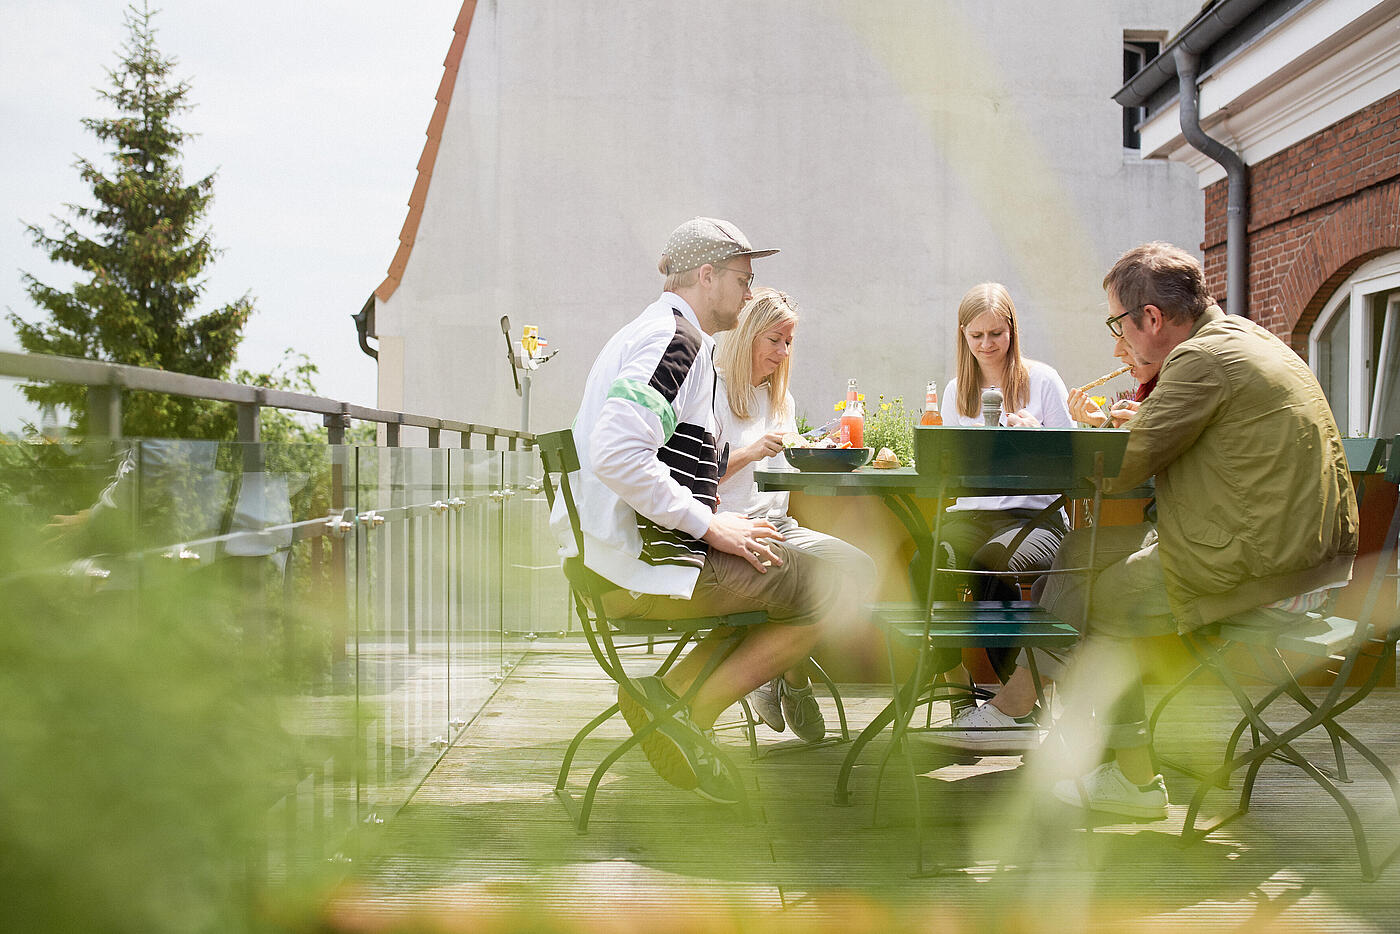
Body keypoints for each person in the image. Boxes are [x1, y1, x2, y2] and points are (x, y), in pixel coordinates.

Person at [926, 242, 1358, 821]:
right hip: (1298, 552)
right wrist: (1132, 419)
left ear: (1151, 317)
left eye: (1118, 325)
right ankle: (1028, 703)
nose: (1118, 343)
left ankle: (1129, 778)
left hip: (1265, 567)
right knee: (1082, 549)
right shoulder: (1243, 338)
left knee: (1109, 596)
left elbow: (1123, 468)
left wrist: (1084, 429)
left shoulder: (1198, 362)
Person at [551, 217, 856, 804]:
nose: (749, 291)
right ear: (707, 275)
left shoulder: (651, 334)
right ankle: (686, 714)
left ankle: (670, 697)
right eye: (743, 277)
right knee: (842, 584)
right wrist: (710, 524)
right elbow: (617, 451)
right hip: (641, 567)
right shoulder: (677, 342)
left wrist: (719, 521)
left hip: (610, 560)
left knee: (783, 565)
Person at [712, 287, 877, 743]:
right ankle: (792, 679)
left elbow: (785, 470)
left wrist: (821, 450)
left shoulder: (778, 398)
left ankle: (781, 675)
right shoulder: (713, 392)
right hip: (733, 528)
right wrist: (747, 453)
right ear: (747, 336)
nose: (783, 352)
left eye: (789, 343)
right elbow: (692, 479)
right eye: (774, 341)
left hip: (780, 524)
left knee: (859, 569)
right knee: (811, 584)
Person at [931, 282, 1073, 684]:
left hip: (1036, 516)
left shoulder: (1042, 380)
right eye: (976, 336)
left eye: (996, 334)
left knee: (994, 564)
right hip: (973, 515)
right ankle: (955, 684)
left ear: (1013, 330)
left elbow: (1075, 461)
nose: (987, 344)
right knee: (928, 561)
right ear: (963, 335)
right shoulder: (957, 392)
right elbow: (950, 469)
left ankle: (1015, 697)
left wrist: (1040, 435)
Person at [1068, 334, 1159, 428]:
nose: (1117, 352)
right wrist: (1101, 422)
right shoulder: (1148, 388)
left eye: (1127, 339)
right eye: (1116, 339)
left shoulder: (1171, 393)